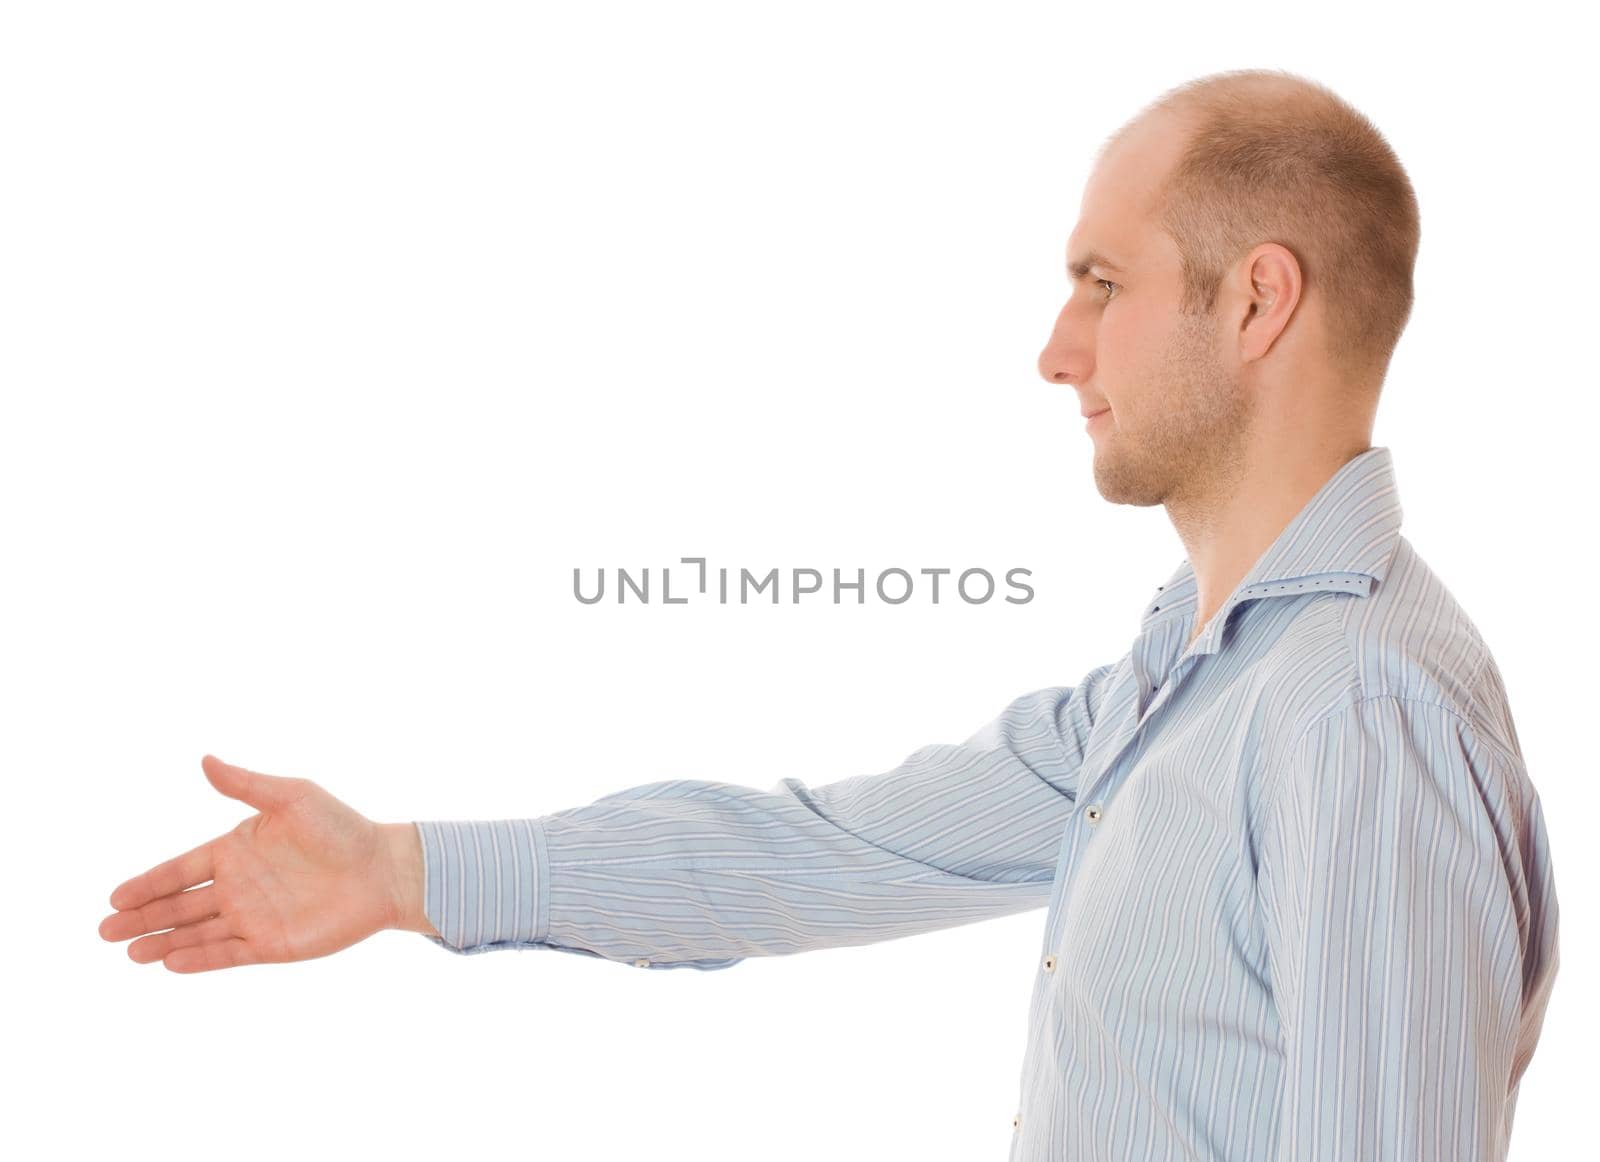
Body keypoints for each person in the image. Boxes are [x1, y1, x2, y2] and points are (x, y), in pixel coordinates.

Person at [98, 66, 1559, 1161]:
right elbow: (824, 847)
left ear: (1257, 304)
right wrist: (403, 870)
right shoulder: (1186, 681)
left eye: (1101, 283)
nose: (1056, 350)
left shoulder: (1358, 710)